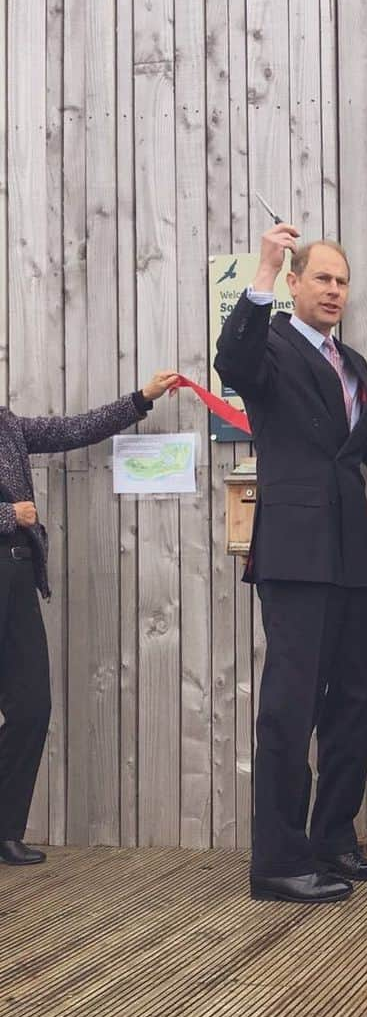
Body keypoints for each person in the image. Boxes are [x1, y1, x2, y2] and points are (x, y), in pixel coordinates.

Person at [214, 223, 367, 905]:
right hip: (294, 554)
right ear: (294, 283)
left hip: (350, 557)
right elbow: (232, 365)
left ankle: (333, 838)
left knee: (355, 702)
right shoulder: (271, 347)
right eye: (322, 279)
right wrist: (261, 271)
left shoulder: (353, 365)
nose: (335, 290)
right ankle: (278, 863)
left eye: (342, 282)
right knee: (290, 708)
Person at [0, 371, 180, 866]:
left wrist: (140, 400)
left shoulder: (7, 426)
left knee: (32, 708)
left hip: (14, 578)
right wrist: (6, 516)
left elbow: (73, 430)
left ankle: (4, 829)